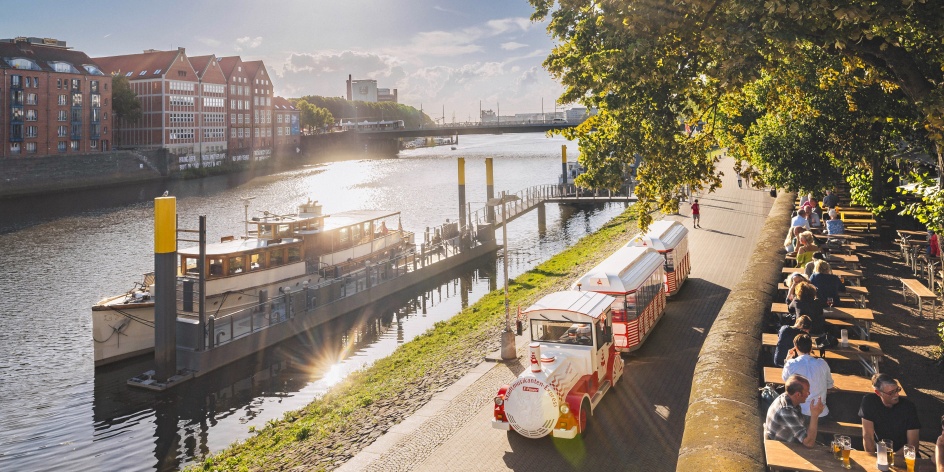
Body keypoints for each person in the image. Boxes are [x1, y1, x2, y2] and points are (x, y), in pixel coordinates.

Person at [859, 373, 921, 454]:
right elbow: (867, 437)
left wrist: (891, 459)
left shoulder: (908, 407)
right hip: (881, 452)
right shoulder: (869, 402)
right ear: (878, 393)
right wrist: (872, 458)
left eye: (897, 390)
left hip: (904, 455)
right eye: (891, 393)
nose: (897, 395)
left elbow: (913, 445)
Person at [764, 374, 825, 447]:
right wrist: (815, 415)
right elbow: (809, 443)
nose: (808, 394)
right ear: (798, 395)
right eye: (807, 392)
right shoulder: (786, 410)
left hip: (787, 441)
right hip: (781, 448)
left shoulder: (787, 398)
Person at [782, 334, 834, 418]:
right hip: (821, 415)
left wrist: (787, 360)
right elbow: (830, 385)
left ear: (796, 348)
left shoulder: (791, 364)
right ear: (811, 348)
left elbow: (786, 380)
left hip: (799, 414)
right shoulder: (822, 363)